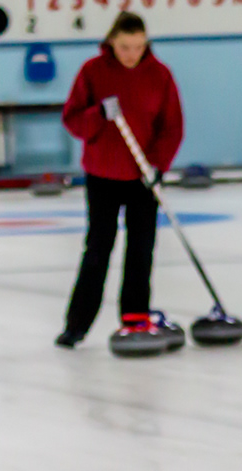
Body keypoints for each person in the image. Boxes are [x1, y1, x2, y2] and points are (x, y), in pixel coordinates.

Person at [57, 13, 184, 348]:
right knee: (98, 248)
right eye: (126, 47)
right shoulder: (93, 72)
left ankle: (135, 319)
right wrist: (97, 114)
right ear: (112, 41)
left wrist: (158, 164)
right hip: (102, 174)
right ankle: (77, 325)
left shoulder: (160, 75)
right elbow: (72, 120)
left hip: (143, 176)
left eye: (139, 47)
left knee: (141, 249)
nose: (132, 54)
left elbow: (171, 127)